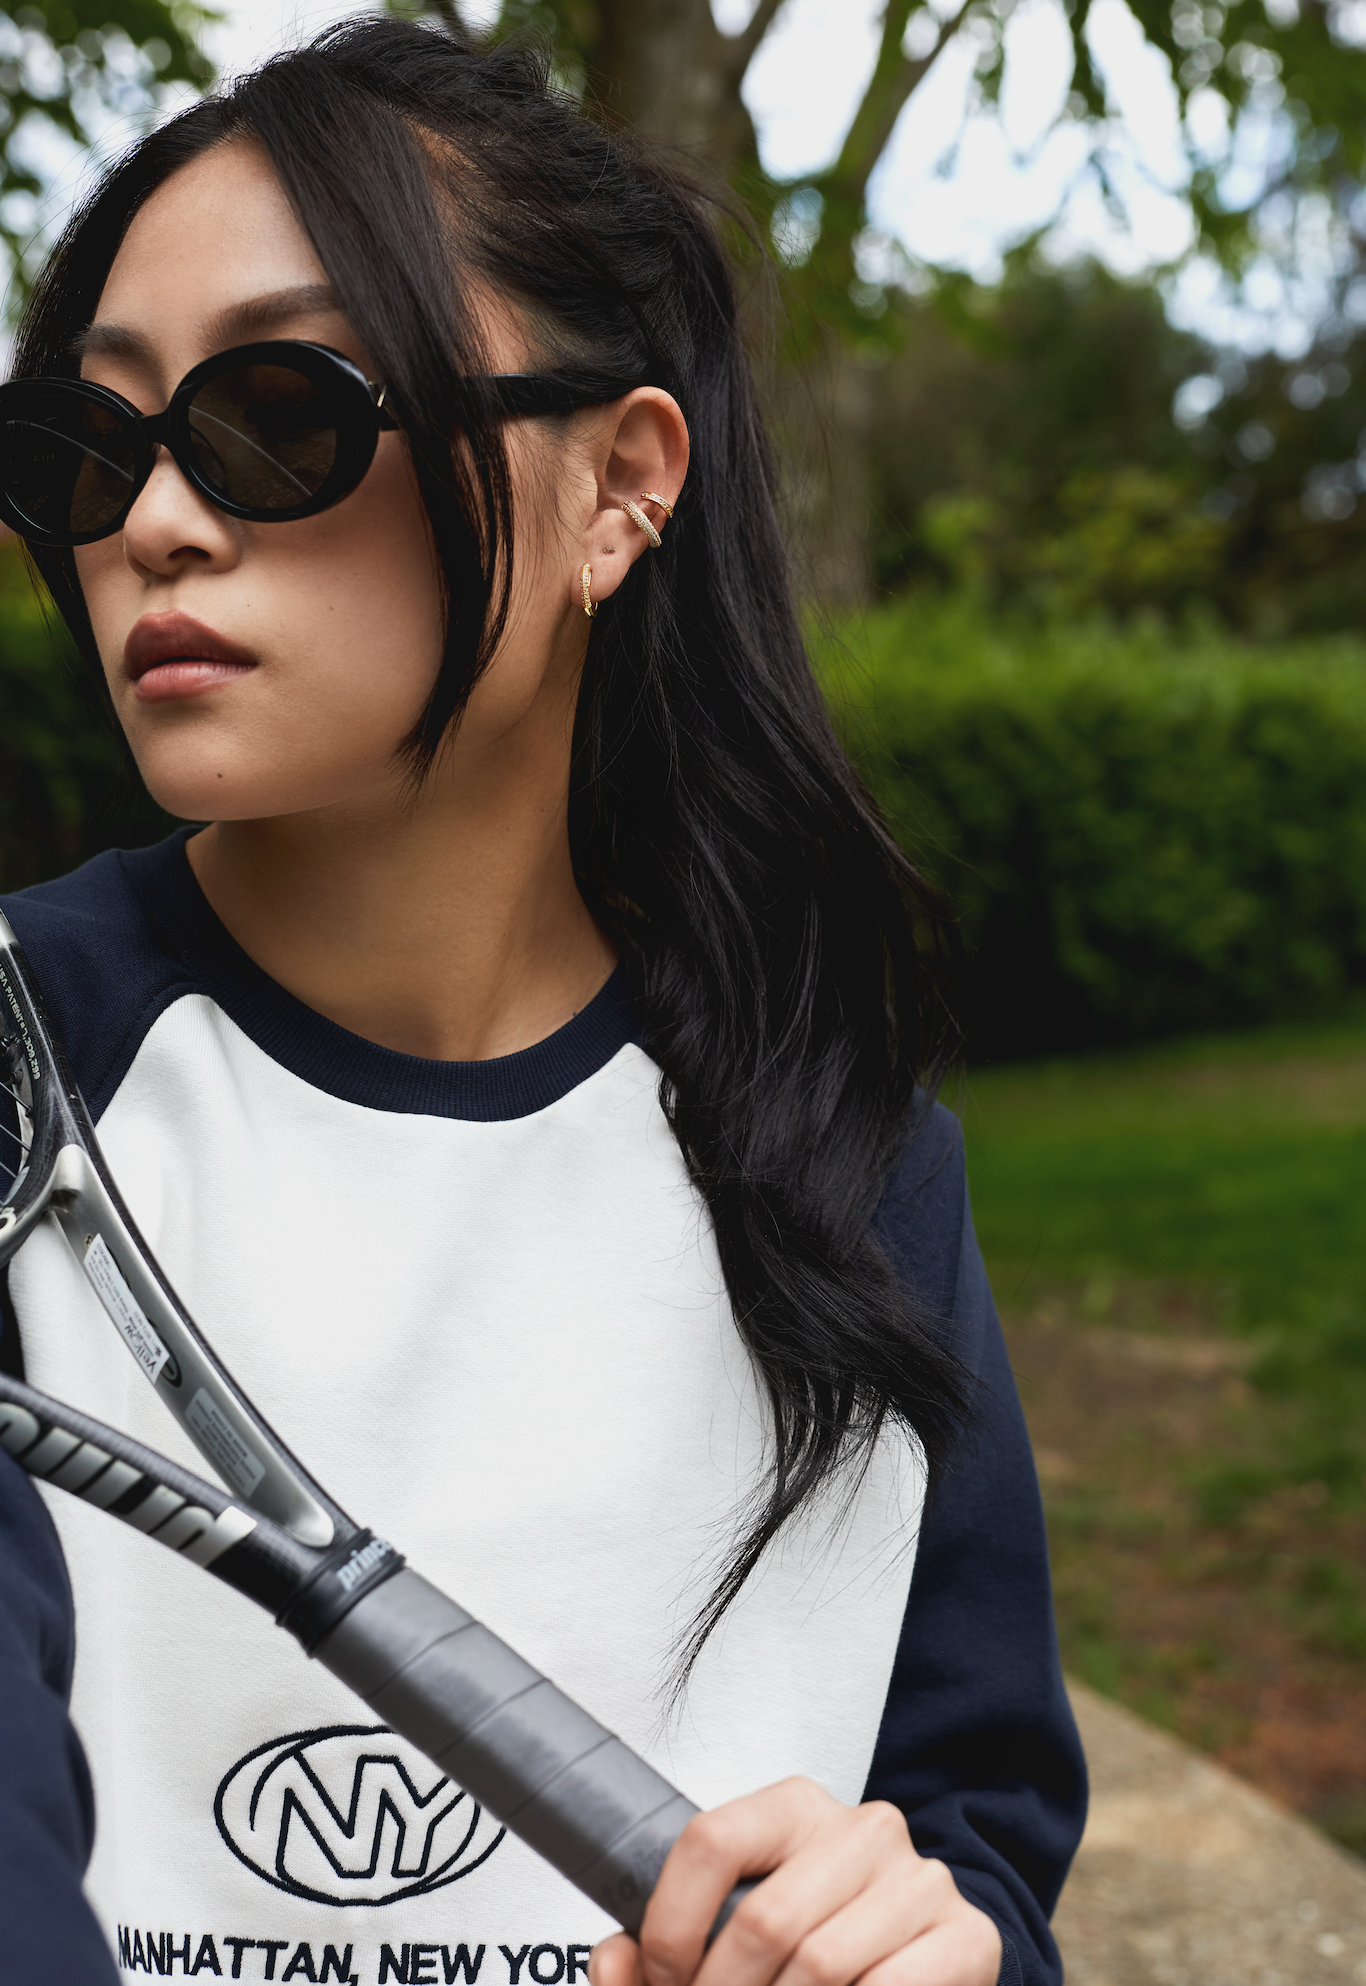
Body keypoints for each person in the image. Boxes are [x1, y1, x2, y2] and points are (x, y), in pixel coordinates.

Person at [0, 18, 1085, 1985]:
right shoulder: (23, 1074)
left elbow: (974, 1840)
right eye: (84, 444)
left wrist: (932, 1948)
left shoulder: (841, 1156)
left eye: (277, 412)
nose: (151, 518)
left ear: (617, 485)